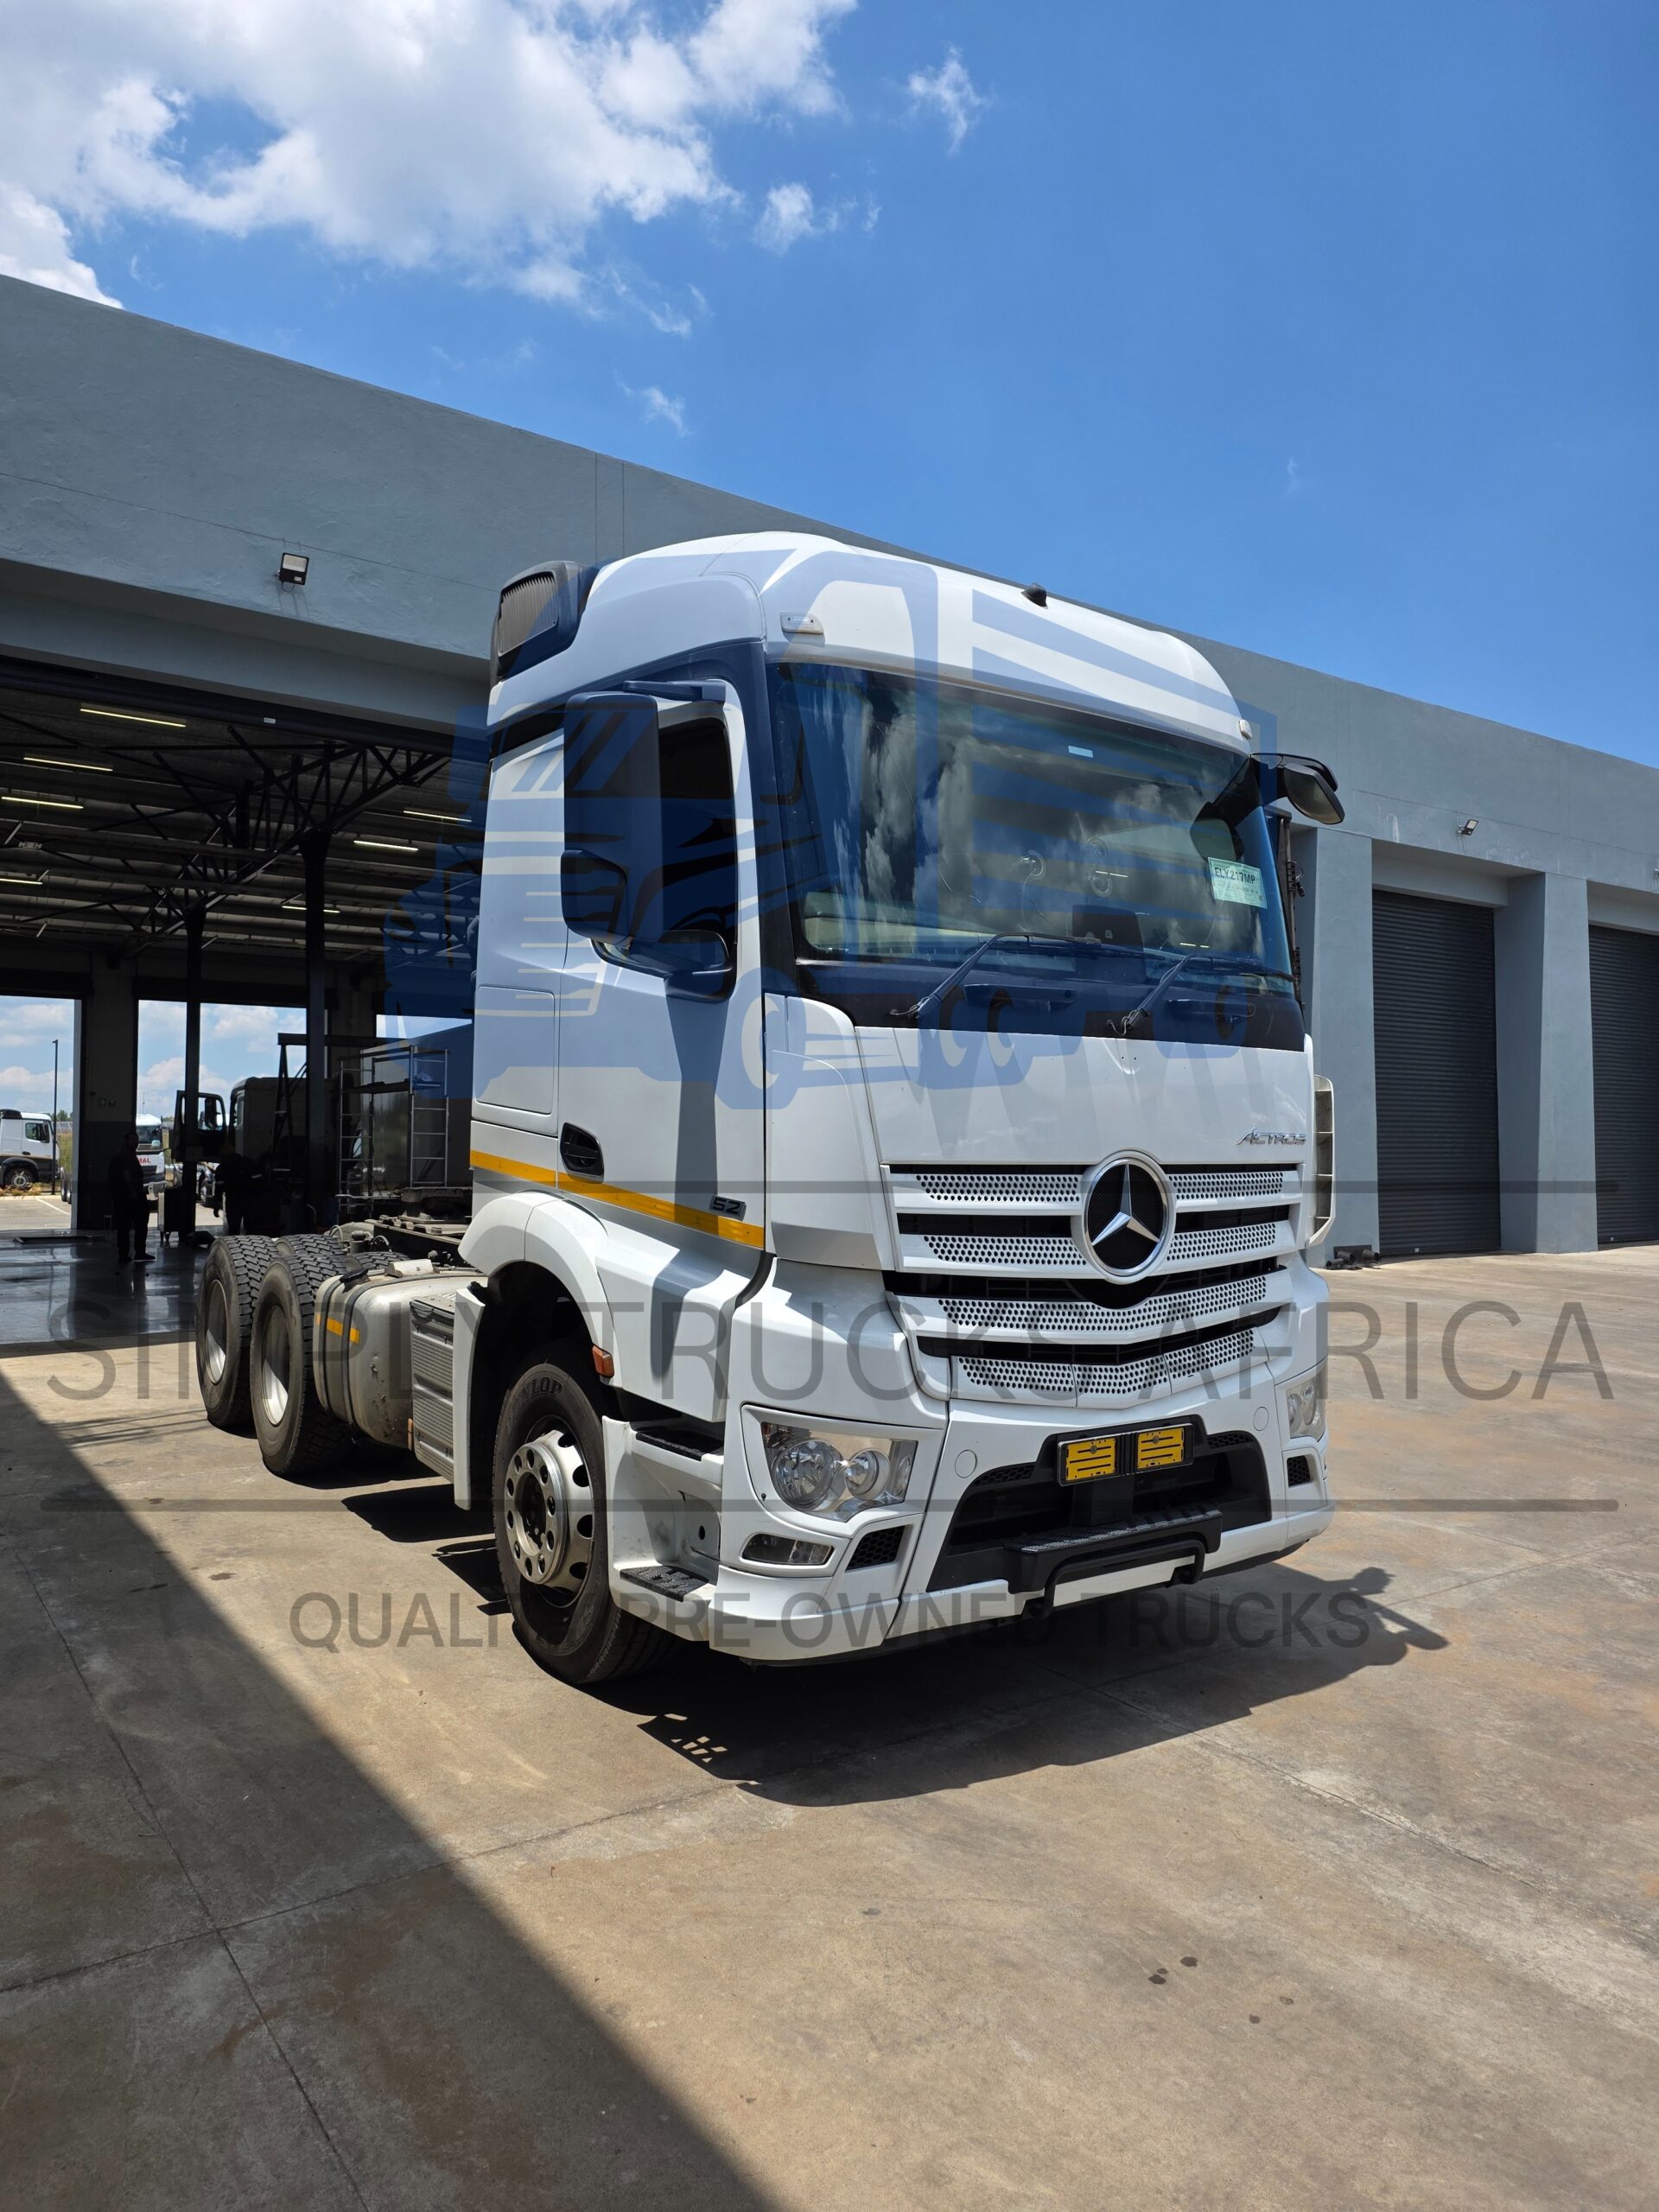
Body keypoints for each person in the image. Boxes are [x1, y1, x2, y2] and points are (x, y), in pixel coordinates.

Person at [107, 1128, 151, 1265]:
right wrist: (132, 1191)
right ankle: (139, 1252)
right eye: (133, 1140)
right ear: (126, 1141)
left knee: (123, 1226)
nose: (136, 1142)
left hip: (123, 1196)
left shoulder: (123, 1154)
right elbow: (126, 1173)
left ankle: (124, 1254)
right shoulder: (126, 1155)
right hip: (130, 1196)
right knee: (139, 1223)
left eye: (137, 1140)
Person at [215, 1143, 255, 1235]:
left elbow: (219, 1189)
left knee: (237, 1227)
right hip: (246, 1199)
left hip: (238, 1200)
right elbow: (219, 1188)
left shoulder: (222, 1168)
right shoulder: (247, 1163)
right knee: (247, 1227)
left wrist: (216, 1205)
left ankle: (239, 1244)